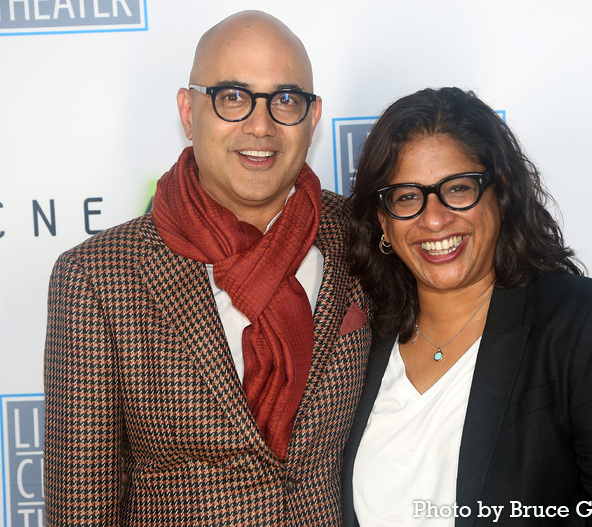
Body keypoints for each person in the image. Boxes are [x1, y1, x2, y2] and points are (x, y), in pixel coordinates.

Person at [43, 11, 371, 526]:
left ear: (313, 117)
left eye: (285, 99)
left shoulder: (363, 239)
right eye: (232, 97)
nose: (260, 125)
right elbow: (80, 506)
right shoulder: (97, 277)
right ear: (188, 111)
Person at [342, 87, 592, 526]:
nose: (435, 218)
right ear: (383, 219)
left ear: (500, 195)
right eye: (407, 197)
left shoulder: (584, 324)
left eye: (457, 189)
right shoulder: (361, 340)